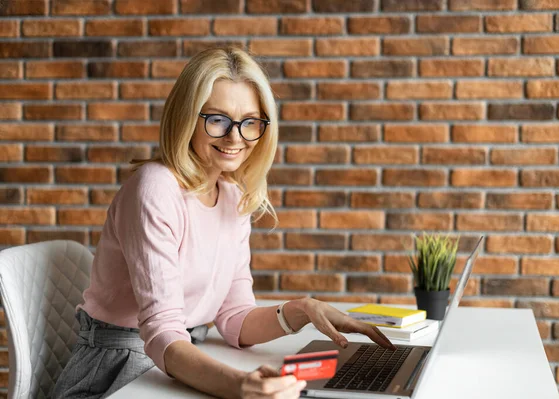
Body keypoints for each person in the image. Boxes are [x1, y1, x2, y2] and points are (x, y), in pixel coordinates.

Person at [52, 47, 394, 399]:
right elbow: (161, 332)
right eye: (217, 119)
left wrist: (303, 309)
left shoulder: (231, 195)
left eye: (250, 122)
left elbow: (234, 318)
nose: (235, 137)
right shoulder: (154, 188)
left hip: (180, 352)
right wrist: (239, 385)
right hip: (117, 367)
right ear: (187, 117)